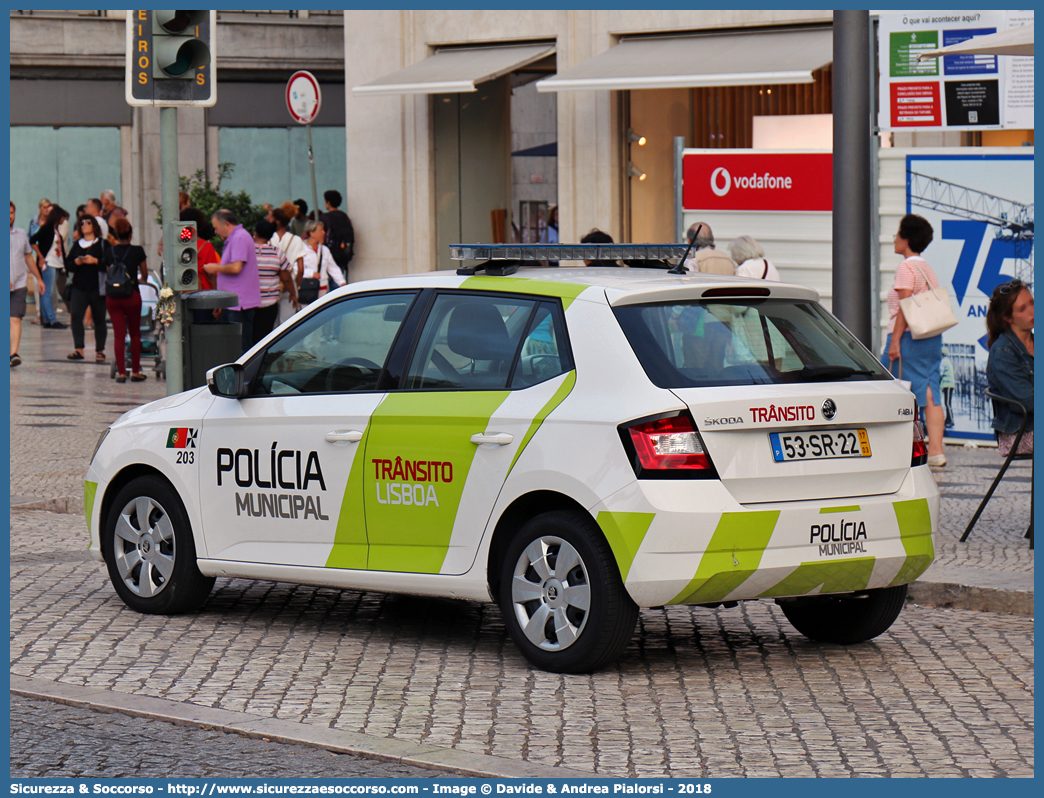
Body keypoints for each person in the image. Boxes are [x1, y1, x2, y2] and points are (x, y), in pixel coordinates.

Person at [880, 213, 946, 467]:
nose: (894, 239)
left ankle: (895, 448)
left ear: (906, 239)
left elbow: (905, 305)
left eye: (897, 234)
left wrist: (895, 341)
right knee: (930, 390)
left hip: (908, 337)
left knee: (890, 386)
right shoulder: (926, 267)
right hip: (931, 337)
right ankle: (937, 450)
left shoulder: (906, 267)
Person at [986, 280, 1033, 457]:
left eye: (1032, 303)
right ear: (1008, 317)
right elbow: (1029, 401)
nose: (1032, 311)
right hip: (1020, 432)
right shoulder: (1002, 352)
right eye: (1023, 309)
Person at [206, 209, 262, 354]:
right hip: (233, 303)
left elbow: (236, 267)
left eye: (216, 227)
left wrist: (215, 268)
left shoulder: (240, 237)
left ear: (227, 224)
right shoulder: (235, 238)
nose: (216, 231)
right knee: (233, 346)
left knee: (240, 348)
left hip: (239, 304)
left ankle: (243, 376)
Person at [106, 217, 150, 383]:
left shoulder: (110, 252)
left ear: (116, 235)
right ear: (131, 235)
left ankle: (122, 373)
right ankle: (136, 372)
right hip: (131, 295)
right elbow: (144, 275)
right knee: (135, 334)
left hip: (113, 298)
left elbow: (109, 273)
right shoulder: (138, 251)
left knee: (118, 335)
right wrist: (139, 279)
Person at [64, 214, 110, 363]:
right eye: (81, 223)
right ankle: (79, 349)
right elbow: (68, 264)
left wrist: (95, 261)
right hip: (79, 286)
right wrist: (77, 262)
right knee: (76, 315)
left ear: (94, 226)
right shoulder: (77, 244)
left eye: (88, 222)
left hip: (98, 287)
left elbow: (110, 264)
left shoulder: (103, 244)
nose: (84, 225)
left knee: (99, 319)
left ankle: (100, 350)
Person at [10, 201, 46, 367]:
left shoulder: (21, 234)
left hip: (18, 284)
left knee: (15, 319)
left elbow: (28, 257)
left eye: (11, 213)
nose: (9, 216)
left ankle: (13, 354)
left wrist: (38, 278)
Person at [252, 219, 297, 345]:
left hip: (250, 302)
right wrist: (293, 294)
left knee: (249, 336)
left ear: (255, 233)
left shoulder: (248, 251)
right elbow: (286, 278)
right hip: (269, 304)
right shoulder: (277, 253)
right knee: (264, 338)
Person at [29, 203, 69, 329]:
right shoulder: (47, 228)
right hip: (48, 263)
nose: (63, 220)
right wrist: (41, 256)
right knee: (47, 291)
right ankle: (52, 319)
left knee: (46, 291)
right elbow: (32, 240)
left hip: (55, 263)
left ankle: (46, 319)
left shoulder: (54, 229)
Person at [270, 207, 307, 323]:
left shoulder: (269, 240)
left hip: (271, 284)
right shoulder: (296, 240)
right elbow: (301, 270)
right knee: (287, 324)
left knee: (272, 325)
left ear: (277, 222)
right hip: (289, 284)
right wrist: (295, 286)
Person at [301, 219, 346, 303]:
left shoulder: (324, 250)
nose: (323, 233)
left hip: (322, 287)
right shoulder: (301, 248)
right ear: (312, 233)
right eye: (320, 230)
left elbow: (333, 267)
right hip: (307, 287)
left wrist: (342, 282)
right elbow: (295, 268)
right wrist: (311, 274)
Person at [319, 190, 355, 278]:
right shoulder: (344, 217)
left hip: (329, 256)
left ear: (328, 202)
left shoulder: (325, 218)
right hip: (342, 257)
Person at [939, 347, 956, 429]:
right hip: (949, 385)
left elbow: (940, 374)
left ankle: (951, 421)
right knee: (947, 403)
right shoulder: (948, 361)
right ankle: (948, 419)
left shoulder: (943, 361)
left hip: (947, 384)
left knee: (947, 403)